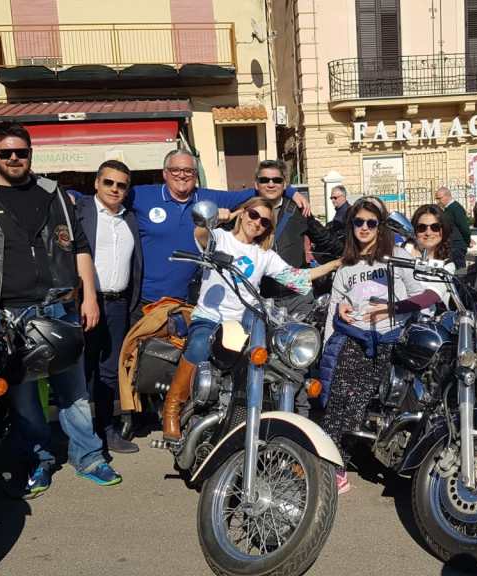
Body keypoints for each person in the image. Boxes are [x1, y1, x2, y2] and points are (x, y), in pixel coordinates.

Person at [0, 121, 120, 498]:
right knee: (24, 396)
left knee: (73, 389)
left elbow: (79, 248)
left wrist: (89, 296)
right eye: (5, 152)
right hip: (5, 312)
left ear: (30, 153)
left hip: (57, 305)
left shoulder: (53, 193)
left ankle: (89, 457)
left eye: (20, 152)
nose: (14, 158)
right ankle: (40, 459)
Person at [162, 197, 340, 441]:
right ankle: (172, 408)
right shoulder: (220, 238)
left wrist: (334, 265)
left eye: (265, 222)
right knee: (200, 344)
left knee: (270, 360)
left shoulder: (263, 255)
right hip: (210, 318)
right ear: (243, 213)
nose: (257, 223)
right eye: (254, 215)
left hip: (242, 324)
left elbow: (296, 277)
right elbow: (201, 235)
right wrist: (214, 220)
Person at [321, 197, 441, 494]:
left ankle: (351, 459)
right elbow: (335, 307)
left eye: (371, 223)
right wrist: (329, 341)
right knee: (338, 399)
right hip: (354, 335)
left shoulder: (396, 257)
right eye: (358, 222)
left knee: (361, 398)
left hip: (389, 337)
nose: (364, 228)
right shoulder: (347, 266)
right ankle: (332, 466)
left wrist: (393, 308)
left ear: (380, 226)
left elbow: (425, 296)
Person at [129, 149, 309, 323]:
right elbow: (115, 195)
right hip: (148, 300)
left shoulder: (208, 197)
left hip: (191, 301)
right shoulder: (142, 195)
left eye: (188, 171)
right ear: (165, 173)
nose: (182, 175)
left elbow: (261, 190)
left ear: (196, 175)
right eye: (175, 170)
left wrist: (290, 191)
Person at [75, 160, 141, 454]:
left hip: (118, 304)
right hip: (86, 301)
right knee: (81, 370)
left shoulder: (130, 219)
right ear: (96, 183)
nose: (115, 189)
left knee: (110, 370)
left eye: (121, 185)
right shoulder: (80, 211)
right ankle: (81, 435)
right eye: (108, 182)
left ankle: (107, 430)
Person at [252, 159, 342, 317]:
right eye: (264, 180)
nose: (271, 184)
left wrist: (352, 254)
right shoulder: (247, 213)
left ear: (284, 184)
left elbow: (324, 238)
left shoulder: (298, 210)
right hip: (263, 298)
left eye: (277, 180)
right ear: (256, 184)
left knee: (306, 333)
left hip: (298, 296)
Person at [408, 203, 456, 309]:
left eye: (435, 227)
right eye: (422, 227)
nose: (428, 233)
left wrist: (394, 308)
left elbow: (431, 296)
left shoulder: (447, 265)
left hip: (428, 315)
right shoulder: (403, 251)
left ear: (443, 229)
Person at [434, 186, 472, 269]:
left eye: (439, 198)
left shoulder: (456, 208)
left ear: (447, 196)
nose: (438, 201)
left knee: (460, 269)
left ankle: (462, 278)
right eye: (437, 199)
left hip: (457, 244)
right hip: (452, 244)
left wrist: (468, 240)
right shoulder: (448, 209)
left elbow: (464, 227)